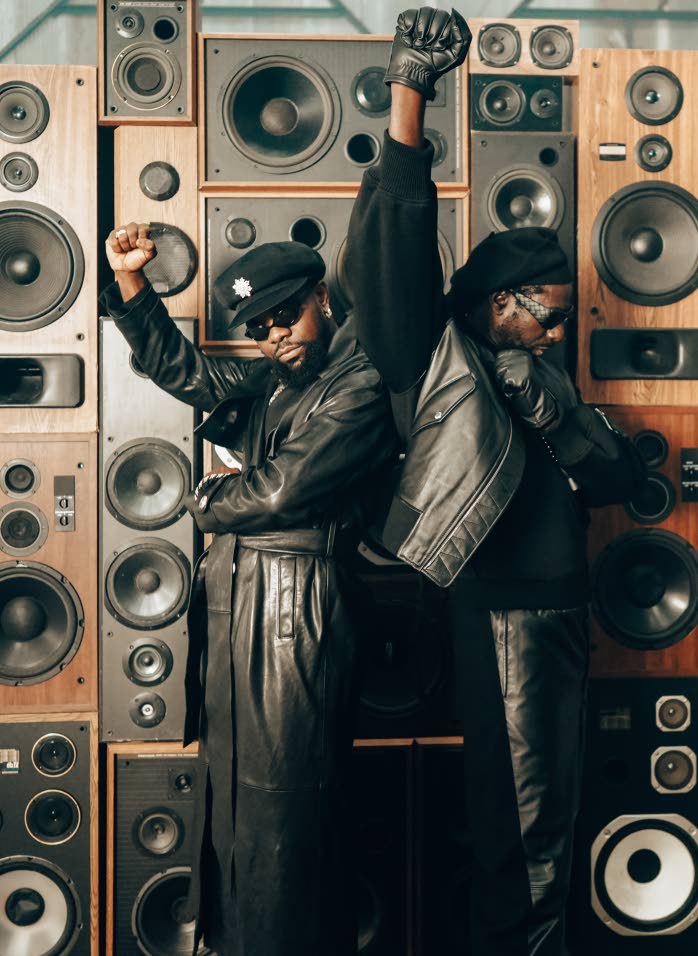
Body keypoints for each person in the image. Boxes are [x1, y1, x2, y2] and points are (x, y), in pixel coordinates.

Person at [345, 8, 647, 955]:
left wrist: (558, 411)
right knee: (526, 840)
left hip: (557, 615)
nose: (557, 333)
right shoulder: (434, 356)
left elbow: (615, 479)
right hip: (509, 617)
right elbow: (393, 251)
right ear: (491, 303)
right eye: (545, 316)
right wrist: (410, 94)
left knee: (549, 820)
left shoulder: (537, 370)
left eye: (562, 319)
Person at [100, 225, 396, 955]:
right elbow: (187, 373)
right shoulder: (279, 381)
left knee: (286, 808)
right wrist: (132, 283)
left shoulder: (357, 382)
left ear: (322, 298)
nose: (275, 337)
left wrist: (206, 499)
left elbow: (278, 490)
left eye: (286, 315)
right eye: (259, 328)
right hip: (245, 603)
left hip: (297, 609)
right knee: (235, 802)